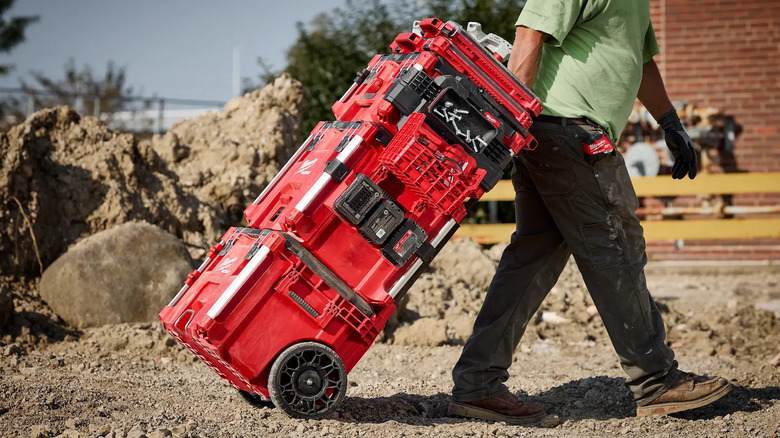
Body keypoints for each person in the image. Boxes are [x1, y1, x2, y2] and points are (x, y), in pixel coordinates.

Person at [447, 0, 731, 424]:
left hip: (557, 132)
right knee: (616, 248)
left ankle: (477, 384)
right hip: (568, 130)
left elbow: (640, 60)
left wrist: (669, 120)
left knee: (532, 259)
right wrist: (510, 119)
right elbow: (531, 31)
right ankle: (656, 382)